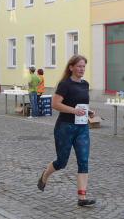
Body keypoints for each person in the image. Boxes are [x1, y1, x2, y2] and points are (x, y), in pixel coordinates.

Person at [36, 54, 96, 207]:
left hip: (82, 128)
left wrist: (88, 112)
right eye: (79, 66)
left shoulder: (85, 84)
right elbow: (55, 104)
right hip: (65, 127)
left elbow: (80, 104)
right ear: (71, 67)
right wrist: (74, 111)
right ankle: (45, 175)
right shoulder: (65, 84)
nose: (82, 69)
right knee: (61, 162)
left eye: (83, 66)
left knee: (83, 160)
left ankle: (82, 197)